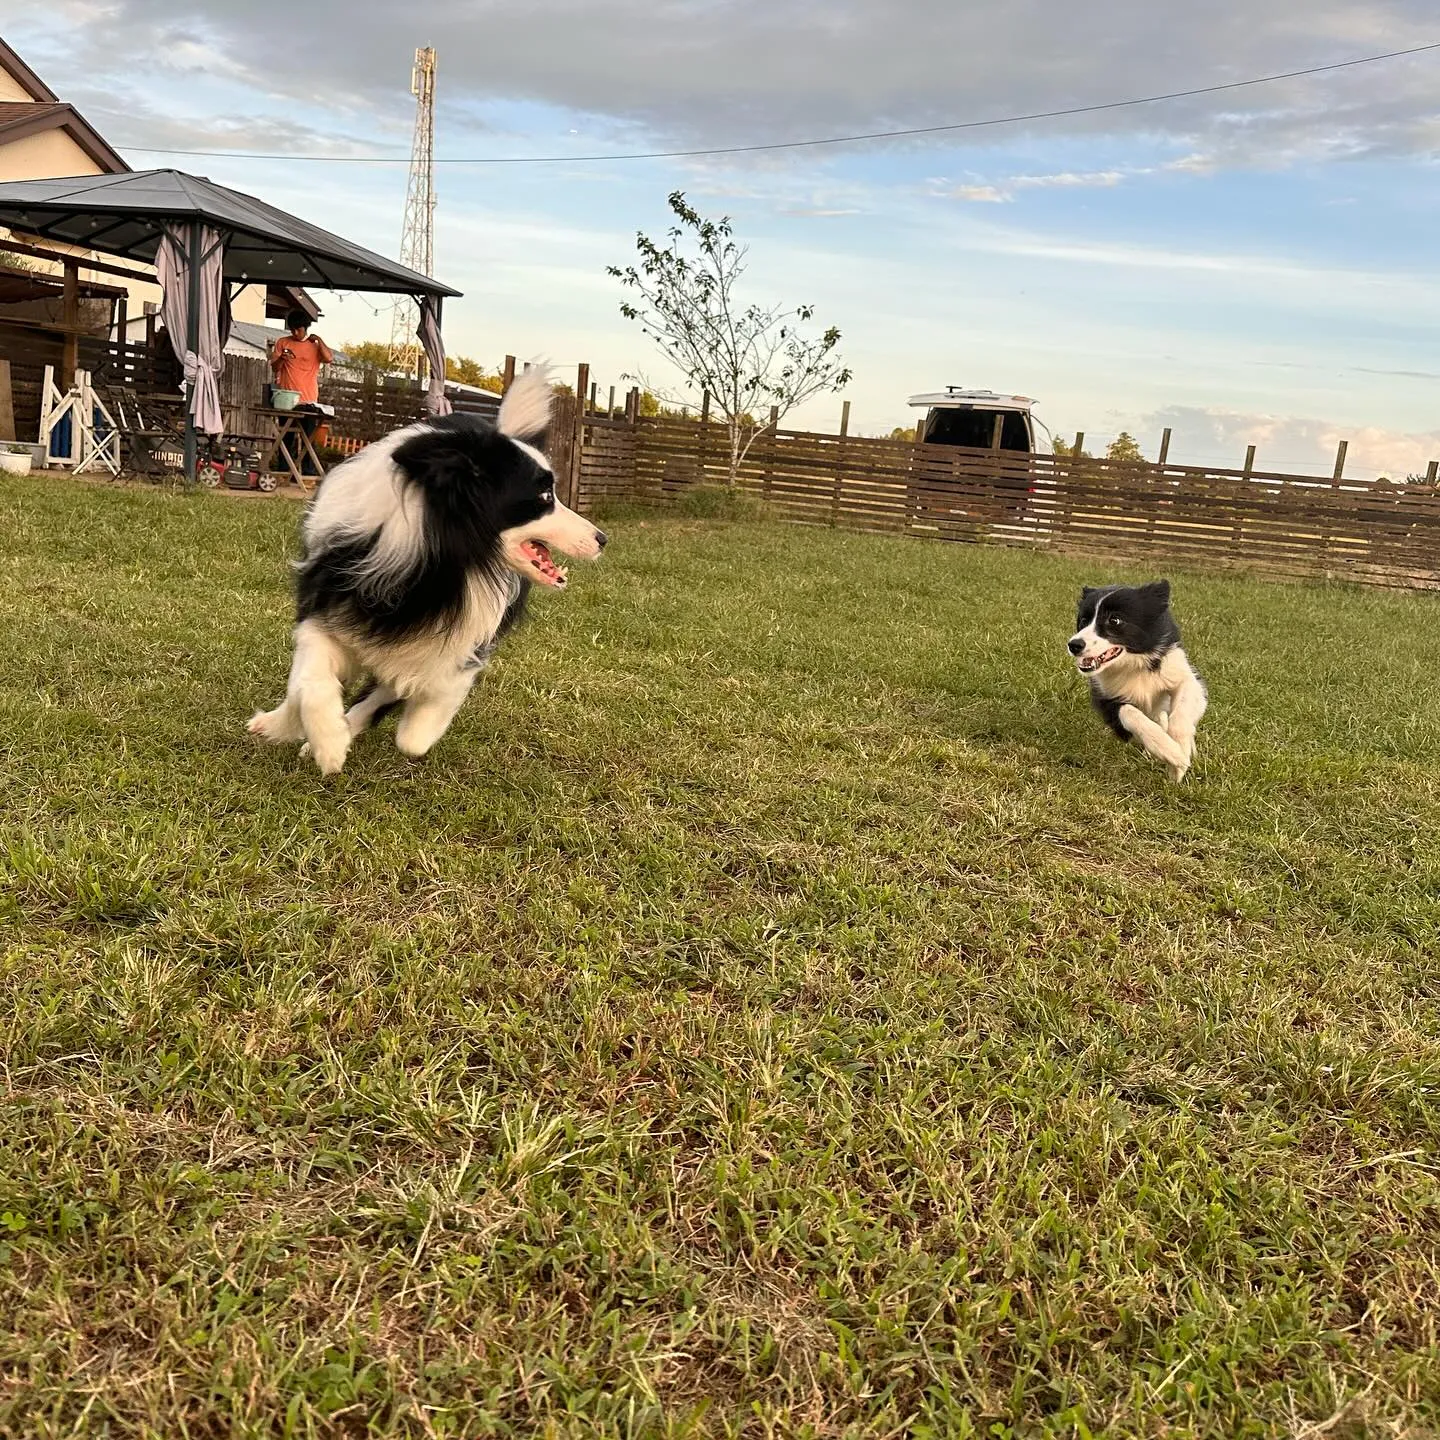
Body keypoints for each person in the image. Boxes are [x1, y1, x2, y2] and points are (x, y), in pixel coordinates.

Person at [269, 310, 333, 477]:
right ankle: (283, 473)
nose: (295, 333)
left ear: (305, 328)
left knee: (308, 440)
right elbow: (274, 367)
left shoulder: (315, 345)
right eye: (293, 330)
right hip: (286, 398)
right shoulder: (283, 342)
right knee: (286, 438)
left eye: (299, 329)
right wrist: (282, 358)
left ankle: (308, 474)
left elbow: (329, 358)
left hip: (308, 400)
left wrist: (318, 339)